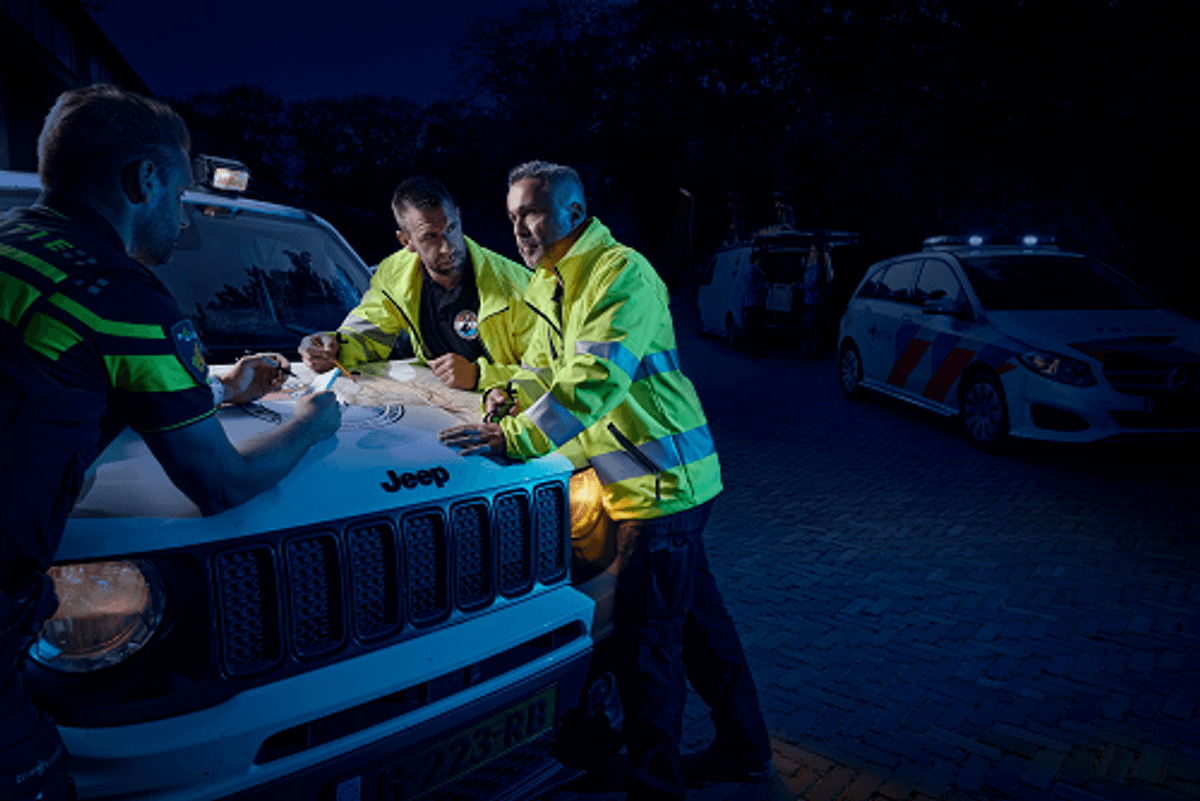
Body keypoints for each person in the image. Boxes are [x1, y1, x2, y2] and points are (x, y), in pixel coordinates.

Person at [0, 84, 341, 801]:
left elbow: (53, 375)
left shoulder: (15, 253)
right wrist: (316, 421)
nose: (180, 220)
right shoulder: (121, 296)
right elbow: (216, 484)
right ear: (143, 180)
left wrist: (216, 389)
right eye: (178, 193)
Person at [440, 161, 772, 800]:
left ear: (572, 211)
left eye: (531, 212)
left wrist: (515, 438)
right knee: (701, 630)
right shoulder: (550, 284)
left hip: (659, 487)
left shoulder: (622, 273)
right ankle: (745, 748)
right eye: (511, 216)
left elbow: (592, 381)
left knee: (647, 646)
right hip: (643, 484)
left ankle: (655, 787)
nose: (519, 228)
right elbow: (543, 370)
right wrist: (498, 387)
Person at [298, 176, 531, 391]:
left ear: (459, 218)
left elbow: (552, 372)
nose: (448, 248)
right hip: (442, 407)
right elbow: (368, 334)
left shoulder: (521, 287)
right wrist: (332, 348)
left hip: (512, 414)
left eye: (451, 228)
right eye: (431, 237)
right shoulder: (395, 274)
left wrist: (479, 376)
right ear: (406, 241)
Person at [800, 242, 833, 357]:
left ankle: (814, 350)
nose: (810, 253)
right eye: (810, 250)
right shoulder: (810, 266)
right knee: (808, 325)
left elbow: (813, 284)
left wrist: (799, 286)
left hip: (814, 300)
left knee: (813, 326)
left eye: (813, 251)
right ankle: (808, 349)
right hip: (809, 299)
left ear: (818, 253)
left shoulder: (818, 267)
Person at [737, 254, 768, 357]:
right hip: (753, 303)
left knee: (757, 328)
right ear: (756, 260)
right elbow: (750, 287)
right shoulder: (752, 271)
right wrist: (764, 285)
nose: (762, 261)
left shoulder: (758, 271)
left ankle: (755, 349)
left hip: (757, 303)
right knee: (751, 327)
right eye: (760, 259)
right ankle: (749, 350)